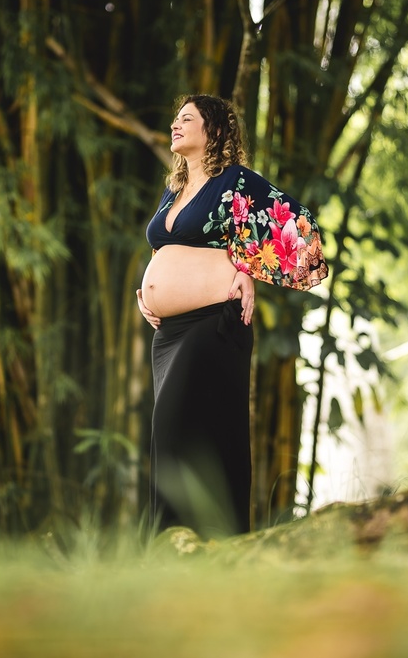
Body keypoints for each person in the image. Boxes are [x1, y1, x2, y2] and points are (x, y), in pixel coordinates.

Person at [137, 93, 327, 537]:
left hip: (213, 324)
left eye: (186, 118)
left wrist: (248, 269)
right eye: (175, 117)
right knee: (169, 440)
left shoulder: (234, 183)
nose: (175, 124)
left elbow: (300, 235)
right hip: (168, 334)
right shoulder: (174, 191)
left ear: (214, 130)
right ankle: (177, 550)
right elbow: (164, 252)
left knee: (182, 428)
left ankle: (196, 542)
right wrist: (145, 291)